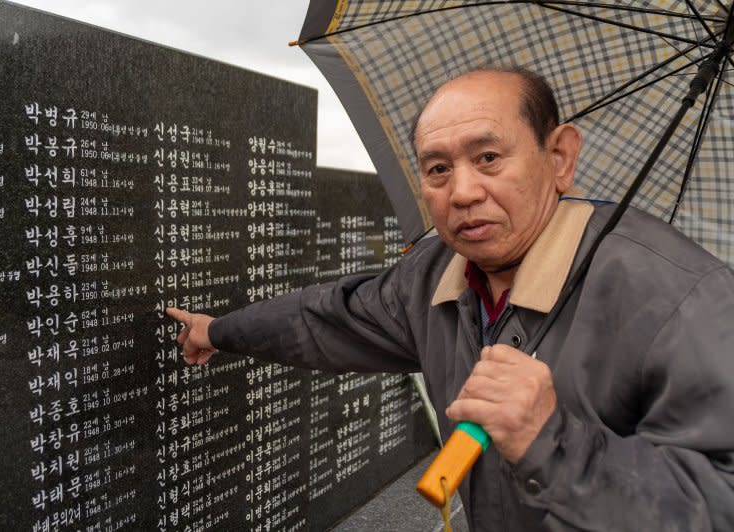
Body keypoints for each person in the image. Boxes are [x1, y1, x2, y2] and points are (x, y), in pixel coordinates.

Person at [166, 68, 734, 531]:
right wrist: (217, 332)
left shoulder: (684, 298)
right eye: (438, 169)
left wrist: (552, 443)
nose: (462, 192)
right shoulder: (435, 274)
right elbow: (329, 318)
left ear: (559, 157)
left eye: (488, 158)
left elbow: (720, 500)